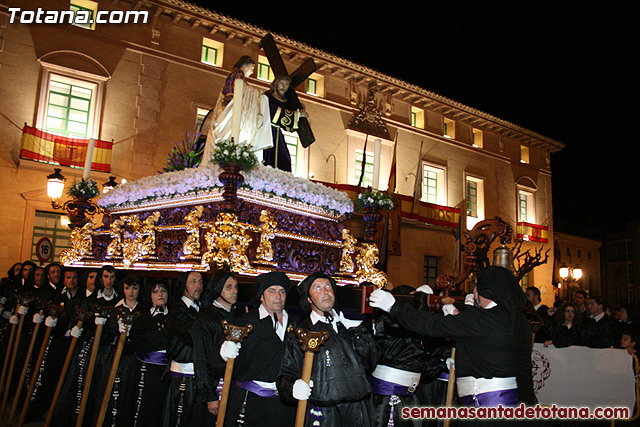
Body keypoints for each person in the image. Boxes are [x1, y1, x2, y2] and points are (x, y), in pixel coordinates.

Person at [370, 266, 536, 409]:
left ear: (486, 290)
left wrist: (393, 307)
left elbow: (431, 325)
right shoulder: (512, 318)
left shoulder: (481, 320)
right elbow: (482, 340)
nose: (474, 291)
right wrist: (457, 316)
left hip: (486, 405)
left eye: (477, 286)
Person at [277, 272, 377, 426]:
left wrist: (358, 333)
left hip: (358, 411)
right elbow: (287, 372)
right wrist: (292, 387)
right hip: (325, 415)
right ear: (309, 299)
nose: (325, 291)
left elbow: (370, 362)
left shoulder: (349, 326)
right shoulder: (302, 332)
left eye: (328, 286)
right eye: (318, 288)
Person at [220, 271, 296, 426]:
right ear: (262, 296)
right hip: (250, 402)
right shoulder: (244, 323)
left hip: (285, 406)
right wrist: (223, 353)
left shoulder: (296, 326)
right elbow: (217, 364)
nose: (278, 296)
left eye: (282, 291)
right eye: (272, 291)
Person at [201, 56, 272, 165]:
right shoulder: (237, 74)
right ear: (244, 65)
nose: (252, 71)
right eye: (251, 67)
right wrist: (259, 94)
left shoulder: (239, 76)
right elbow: (232, 91)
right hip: (230, 111)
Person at [192, 272, 240, 421]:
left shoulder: (237, 316)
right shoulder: (205, 319)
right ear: (218, 289)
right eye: (229, 287)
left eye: (236, 287)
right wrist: (210, 396)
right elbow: (201, 360)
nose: (235, 291)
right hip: (213, 387)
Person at [163, 271, 205, 427]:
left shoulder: (202, 308)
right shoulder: (177, 311)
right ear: (183, 286)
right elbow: (191, 335)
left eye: (200, 282)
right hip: (183, 375)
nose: (198, 286)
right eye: (193, 282)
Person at [128, 279, 171, 426]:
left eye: (163, 291)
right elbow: (138, 340)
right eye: (156, 291)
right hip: (146, 369)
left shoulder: (174, 315)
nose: (160, 294)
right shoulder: (142, 316)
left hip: (168, 370)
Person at [262, 75, 308, 172]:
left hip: (277, 133)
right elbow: (273, 112)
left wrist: (298, 111)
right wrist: (298, 114)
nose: (284, 86)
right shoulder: (266, 97)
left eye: (287, 84)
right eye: (282, 83)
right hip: (265, 131)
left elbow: (288, 124)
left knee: (284, 160)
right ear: (276, 84)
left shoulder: (285, 102)